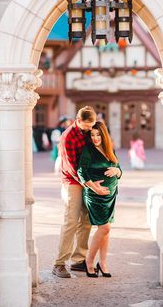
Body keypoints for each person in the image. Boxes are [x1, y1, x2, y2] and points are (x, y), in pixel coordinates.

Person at [52, 106, 110, 278]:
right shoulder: (67, 137)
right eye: (85, 127)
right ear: (77, 120)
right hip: (72, 181)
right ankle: (59, 263)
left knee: (86, 219)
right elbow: (72, 168)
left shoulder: (89, 131)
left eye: (90, 127)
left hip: (88, 181)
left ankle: (79, 259)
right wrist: (92, 186)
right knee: (71, 220)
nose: (88, 131)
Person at [77, 121, 122, 278]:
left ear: (104, 135)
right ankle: (89, 261)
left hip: (111, 195)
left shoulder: (110, 149)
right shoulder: (88, 150)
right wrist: (95, 188)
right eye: (92, 135)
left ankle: (102, 263)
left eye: (98, 135)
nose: (95, 138)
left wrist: (117, 171)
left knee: (106, 230)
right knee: (105, 228)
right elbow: (81, 171)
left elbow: (119, 169)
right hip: (95, 195)